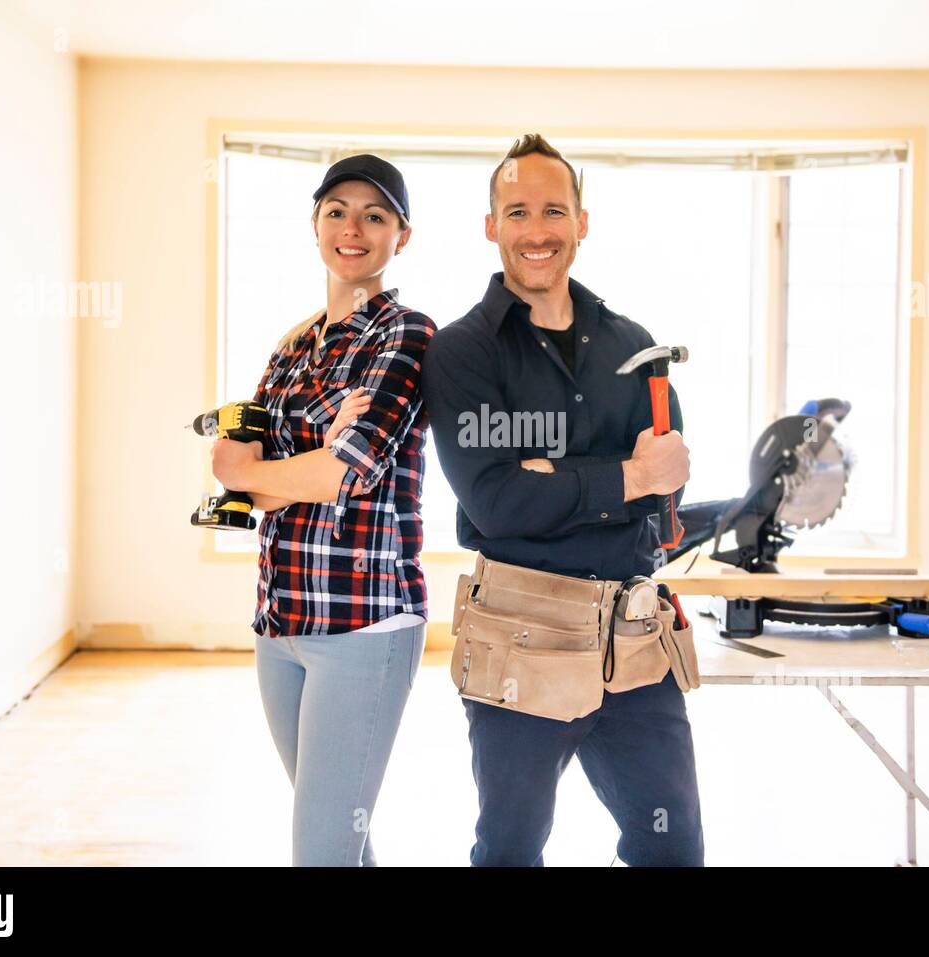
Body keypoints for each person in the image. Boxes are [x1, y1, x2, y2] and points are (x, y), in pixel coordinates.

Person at [421, 134, 704, 866]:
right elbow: (497, 504)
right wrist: (625, 476)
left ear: (582, 221)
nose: (537, 230)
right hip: (521, 635)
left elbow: (668, 479)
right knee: (511, 849)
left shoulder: (634, 345)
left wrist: (562, 475)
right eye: (518, 211)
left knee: (671, 847)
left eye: (554, 210)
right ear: (491, 225)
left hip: (637, 638)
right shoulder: (462, 352)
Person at [210, 154, 435, 866]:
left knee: (323, 851)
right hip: (281, 624)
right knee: (342, 842)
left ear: (403, 235)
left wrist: (278, 471)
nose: (353, 227)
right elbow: (230, 472)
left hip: (365, 623)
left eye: (376, 214)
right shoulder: (290, 350)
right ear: (314, 226)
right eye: (336, 209)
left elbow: (350, 472)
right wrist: (297, 464)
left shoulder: (406, 334)